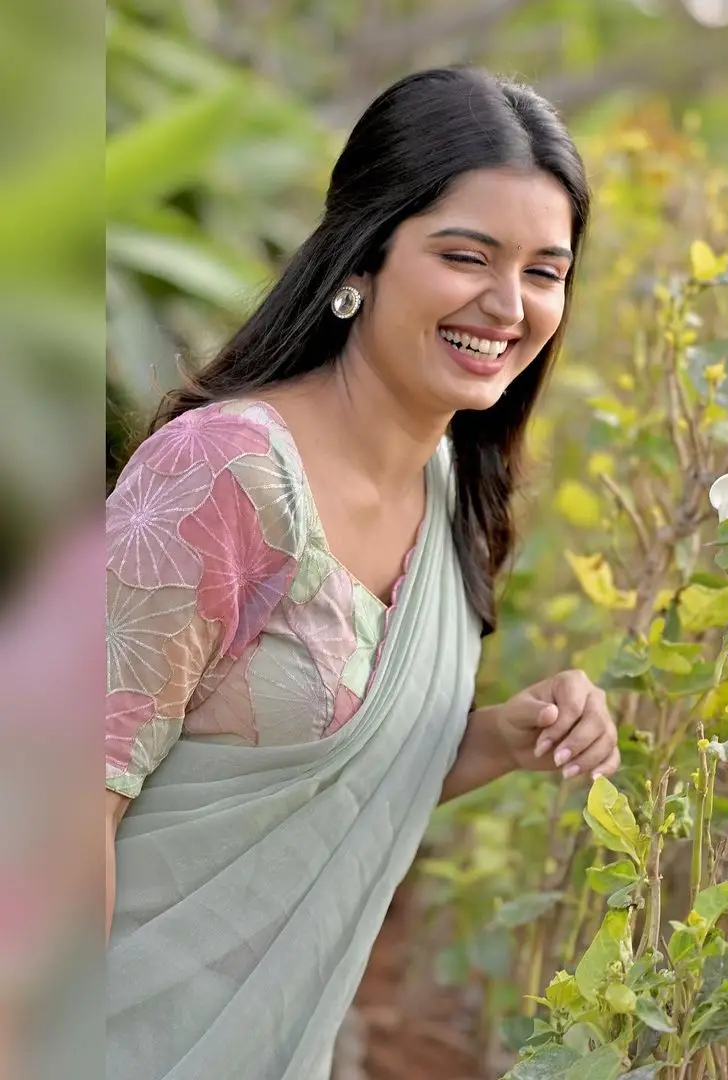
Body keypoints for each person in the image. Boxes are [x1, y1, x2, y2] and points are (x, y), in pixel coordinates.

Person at [105, 66, 619, 1079]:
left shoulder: (449, 488)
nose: (507, 304)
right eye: (465, 256)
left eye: (546, 271)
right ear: (363, 257)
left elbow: (326, 786)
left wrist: (495, 742)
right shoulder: (227, 476)